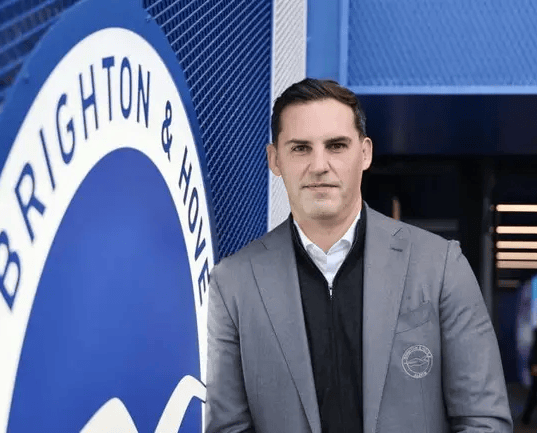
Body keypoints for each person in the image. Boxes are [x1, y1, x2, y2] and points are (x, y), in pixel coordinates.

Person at [205, 78, 512, 433]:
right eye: (300, 148)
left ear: (365, 153)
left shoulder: (440, 266)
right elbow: (227, 427)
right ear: (275, 160)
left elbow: (483, 420)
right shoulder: (234, 284)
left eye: (336, 146)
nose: (319, 165)